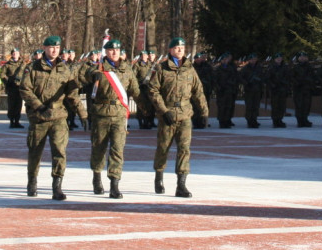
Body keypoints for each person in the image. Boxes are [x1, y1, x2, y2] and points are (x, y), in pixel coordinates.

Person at [19, 36, 86, 200]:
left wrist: (82, 114)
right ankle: (32, 182)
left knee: (60, 151)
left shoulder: (65, 69)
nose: (54, 50)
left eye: (57, 47)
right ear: (44, 48)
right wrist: (38, 106)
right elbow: (25, 90)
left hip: (58, 117)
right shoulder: (33, 68)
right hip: (39, 117)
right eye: (51, 47)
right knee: (35, 151)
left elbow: (72, 94)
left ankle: (57, 186)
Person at [147, 37, 208, 198]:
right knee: (163, 148)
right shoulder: (161, 68)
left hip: (185, 115)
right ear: (170, 50)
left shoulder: (189, 69)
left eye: (182, 47)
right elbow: (153, 91)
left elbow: (198, 91)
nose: (180, 50)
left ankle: (181, 184)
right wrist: (163, 110)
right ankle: (159, 176)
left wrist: (204, 112)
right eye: (177, 48)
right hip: (167, 114)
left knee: (184, 149)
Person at [86, 39, 140, 199]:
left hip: (119, 115)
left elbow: (135, 90)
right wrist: (91, 75)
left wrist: (146, 105)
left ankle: (114, 184)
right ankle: (96, 176)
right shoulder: (99, 68)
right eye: (111, 50)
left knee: (117, 149)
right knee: (99, 148)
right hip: (101, 114)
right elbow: (84, 76)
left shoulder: (126, 69)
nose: (114, 53)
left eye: (117, 50)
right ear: (106, 52)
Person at [0, 48, 25, 128]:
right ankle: (11, 121)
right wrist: (7, 81)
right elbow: (1, 74)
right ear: (11, 54)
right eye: (14, 53)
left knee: (19, 104)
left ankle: (17, 121)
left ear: (19, 54)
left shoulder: (23, 64)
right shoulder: (7, 65)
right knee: (11, 105)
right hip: (11, 87)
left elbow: (27, 73)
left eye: (16, 53)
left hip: (20, 87)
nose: (15, 54)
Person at [265, 52, 290, 128]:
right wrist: (272, 85)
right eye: (277, 58)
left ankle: (280, 119)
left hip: (282, 89)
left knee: (282, 106)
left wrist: (286, 85)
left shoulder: (285, 67)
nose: (279, 59)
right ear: (275, 59)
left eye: (280, 58)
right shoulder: (271, 67)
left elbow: (288, 77)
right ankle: (275, 120)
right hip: (275, 89)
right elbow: (267, 78)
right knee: (275, 106)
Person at [213, 53, 238, 129]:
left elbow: (234, 78)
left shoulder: (230, 69)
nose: (225, 61)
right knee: (222, 107)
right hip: (221, 91)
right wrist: (219, 88)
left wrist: (231, 85)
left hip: (229, 90)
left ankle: (227, 121)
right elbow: (215, 81)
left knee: (228, 106)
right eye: (223, 59)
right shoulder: (218, 69)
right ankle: (221, 121)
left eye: (226, 59)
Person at [291, 52, 316, 128]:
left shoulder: (310, 67)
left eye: (304, 57)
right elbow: (291, 77)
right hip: (298, 89)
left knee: (306, 105)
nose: (303, 58)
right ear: (298, 58)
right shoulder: (295, 67)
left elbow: (314, 77)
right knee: (299, 106)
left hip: (307, 89)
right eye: (301, 57)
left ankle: (305, 119)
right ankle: (300, 121)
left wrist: (311, 84)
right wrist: (297, 83)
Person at [241, 54, 263, 128]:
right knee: (249, 106)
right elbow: (241, 78)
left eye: (255, 59)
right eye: (252, 59)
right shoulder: (245, 68)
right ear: (249, 60)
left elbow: (263, 77)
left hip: (257, 89)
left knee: (256, 106)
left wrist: (260, 84)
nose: (253, 60)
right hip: (249, 90)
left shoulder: (259, 68)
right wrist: (247, 83)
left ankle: (254, 119)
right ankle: (249, 120)